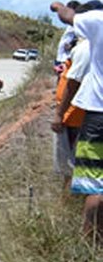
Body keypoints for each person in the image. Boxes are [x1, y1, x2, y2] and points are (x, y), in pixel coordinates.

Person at [52, 0, 103, 243]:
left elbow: (66, 15)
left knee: (95, 184)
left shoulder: (97, 22)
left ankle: (88, 244)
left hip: (95, 116)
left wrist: (57, 5)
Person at [53, 28, 90, 184]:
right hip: (74, 115)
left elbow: (73, 84)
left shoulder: (85, 49)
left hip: (74, 116)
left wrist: (59, 114)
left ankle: (70, 200)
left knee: (71, 166)